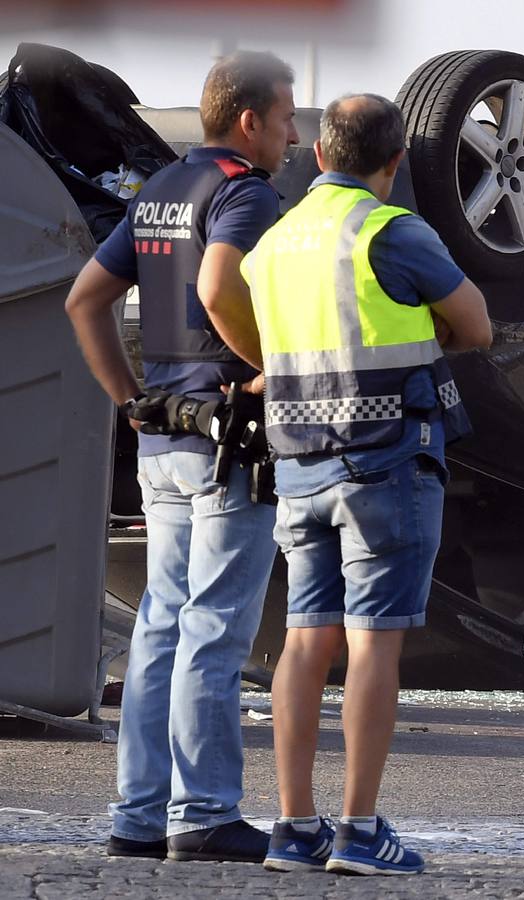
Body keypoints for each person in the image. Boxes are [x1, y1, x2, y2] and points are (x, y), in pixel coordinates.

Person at [238, 93, 491, 876]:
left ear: (318, 155)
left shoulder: (275, 243)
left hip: (299, 466)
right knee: (373, 644)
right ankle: (358, 829)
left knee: (304, 641)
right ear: (395, 163)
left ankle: (293, 828)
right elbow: (476, 326)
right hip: (384, 462)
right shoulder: (391, 230)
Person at [64, 51, 298, 860]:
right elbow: (218, 286)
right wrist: (272, 368)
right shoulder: (245, 191)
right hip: (229, 443)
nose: (293, 134)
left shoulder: (160, 190)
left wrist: (130, 399)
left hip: (162, 437)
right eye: (286, 117)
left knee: (161, 625)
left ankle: (138, 813)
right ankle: (202, 812)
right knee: (215, 628)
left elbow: (84, 300)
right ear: (248, 122)